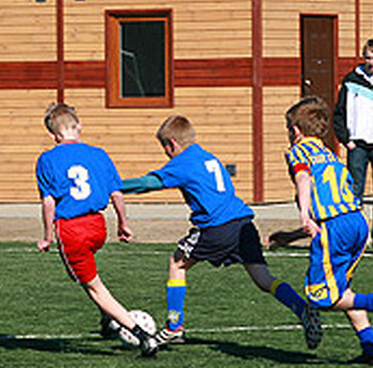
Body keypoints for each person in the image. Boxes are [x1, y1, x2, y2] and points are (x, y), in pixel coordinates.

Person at [121, 115, 322, 349]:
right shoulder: (208, 157)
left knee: (177, 263)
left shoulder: (183, 162)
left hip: (217, 227)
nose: (166, 153)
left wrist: (114, 186)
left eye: (165, 147)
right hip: (244, 224)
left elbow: (149, 183)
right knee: (263, 278)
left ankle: (174, 327)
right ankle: (302, 308)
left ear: (172, 144)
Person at [287, 96, 373, 365]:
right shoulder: (329, 154)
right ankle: (372, 350)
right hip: (358, 223)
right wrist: (291, 236)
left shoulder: (298, 151)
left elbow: (303, 178)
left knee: (320, 297)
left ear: (295, 131)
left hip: (335, 226)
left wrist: (303, 214)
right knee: (344, 292)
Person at [35, 103, 158, 358]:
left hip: (71, 230)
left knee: (94, 287)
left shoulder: (47, 159)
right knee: (89, 276)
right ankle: (106, 319)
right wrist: (123, 224)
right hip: (97, 226)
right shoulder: (99, 154)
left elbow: (48, 202)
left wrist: (47, 237)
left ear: (52, 135)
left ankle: (142, 335)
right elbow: (117, 193)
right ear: (79, 126)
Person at [332, 39, 373, 255]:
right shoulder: (351, 80)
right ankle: (355, 240)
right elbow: (339, 113)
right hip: (357, 145)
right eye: (368, 58)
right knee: (354, 196)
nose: (371, 62)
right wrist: (347, 140)